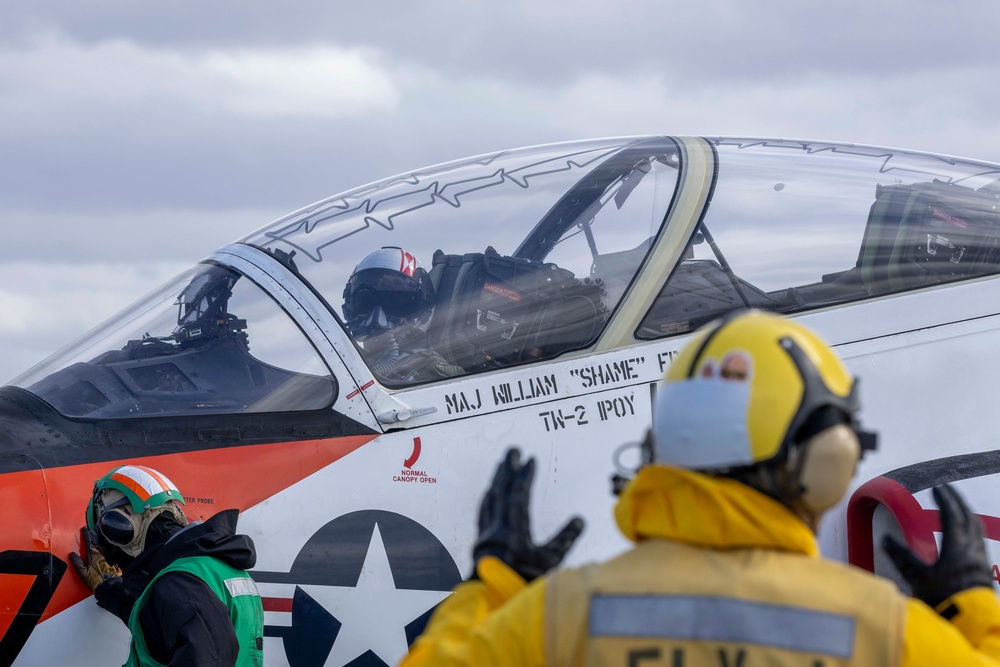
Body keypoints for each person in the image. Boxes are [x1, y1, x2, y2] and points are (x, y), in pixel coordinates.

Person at [400, 310, 1000, 666]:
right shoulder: (886, 632)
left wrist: (493, 588)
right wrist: (971, 610)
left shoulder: (556, 619)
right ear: (827, 458)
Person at [70, 464, 264, 667]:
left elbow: (202, 652)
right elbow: (167, 627)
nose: (114, 561)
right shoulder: (210, 570)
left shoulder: (180, 586)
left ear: (123, 530)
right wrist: (111, 592)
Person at [343, 246, 461, 382]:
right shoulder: (348, 370)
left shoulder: (431, 373)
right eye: (365, 302)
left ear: (422, 311)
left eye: (396, 301)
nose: (377, 318)